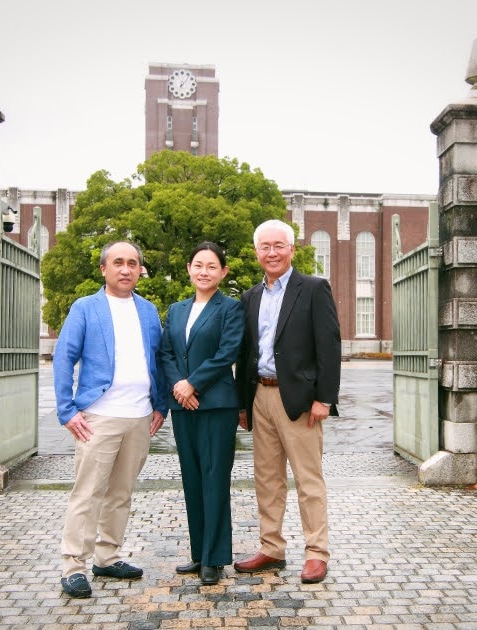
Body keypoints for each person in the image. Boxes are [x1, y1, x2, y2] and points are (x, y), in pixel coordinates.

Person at [54, 240, 167, 598]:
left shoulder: (148, 311)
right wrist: (67, 410)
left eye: (133, 263)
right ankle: (74, 565)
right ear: (104, 269)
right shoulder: (86, 308)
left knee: (121, 493)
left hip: (138, 417)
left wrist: (161, 405)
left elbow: (158, 360)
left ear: (139, 270)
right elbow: (63, 357)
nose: (126, 269)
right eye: (118, 262)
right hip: (98, 416)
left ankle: (107, 556)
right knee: (87, 492)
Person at [234, 219, 341, 584]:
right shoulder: (249, 297)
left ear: (292, 249)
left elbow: (329, 346)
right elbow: (246, 352)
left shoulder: (312, 289)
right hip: (259, 396)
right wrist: (243, 404)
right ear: (256, 252)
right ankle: (271, 547)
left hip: (299, 399)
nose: (272, 252)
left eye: (279, 245)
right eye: (265, 246)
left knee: (308, 479)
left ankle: (316, 552)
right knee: (267, 479)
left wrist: (325, 398)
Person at [159, 241, 244, 586]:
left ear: (222, 272)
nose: (204, 271)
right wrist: (180, 386)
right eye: (198, 265)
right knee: (192, 479)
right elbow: (165, 353)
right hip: (184, 406)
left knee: (214, 479)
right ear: (188, 269)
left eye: (211, 266)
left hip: (216, 406)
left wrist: (193, 384)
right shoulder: (177, 310)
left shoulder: (231, 308)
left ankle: (216, 558)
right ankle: (198, 554)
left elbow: (226, 353)